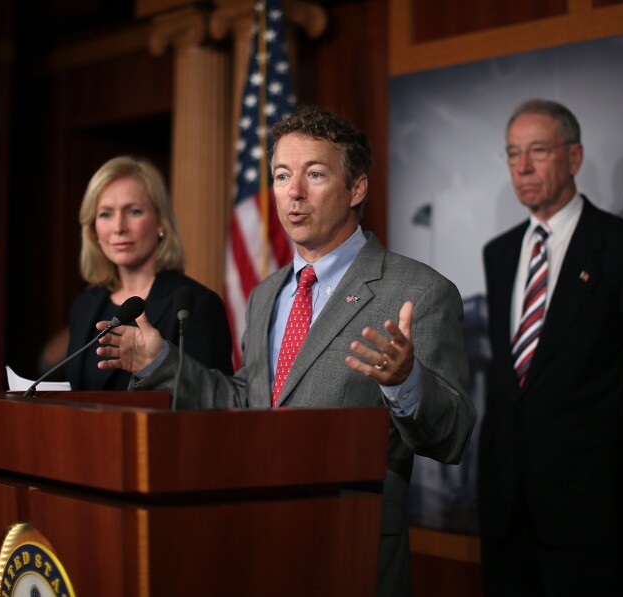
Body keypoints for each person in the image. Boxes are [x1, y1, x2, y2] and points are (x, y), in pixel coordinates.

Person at [94, 106, 475, 597]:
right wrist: (161, 362)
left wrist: (406, 381)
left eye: (314, 174)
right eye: (281, 175)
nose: (293, 192)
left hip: (348, 551)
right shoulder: (266, 293)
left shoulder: (418, 290)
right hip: (254, 540)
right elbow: (245, 403)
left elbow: (454, 436)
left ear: (356, 188)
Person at [478, 99, 623, 595]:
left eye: (538, 150)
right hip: (506, 511)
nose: (522, 167)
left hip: (595, 516)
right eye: (513, 153)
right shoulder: (497, 254)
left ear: (574, 157)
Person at [68, 156, 233, 390]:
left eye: (133, 211)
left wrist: (155, 363)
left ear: (161, 223)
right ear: (93, 229)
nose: (119, 227)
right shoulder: (84, 306)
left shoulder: (198, 305)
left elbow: (215, 401)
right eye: (105, 214)